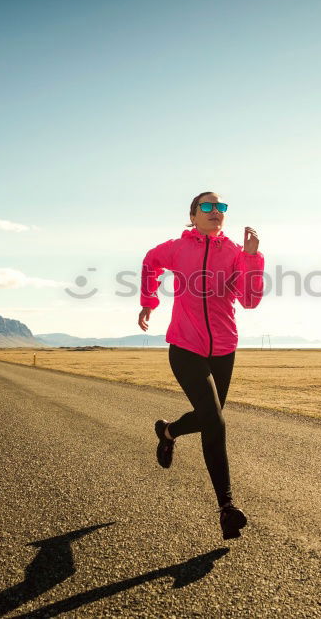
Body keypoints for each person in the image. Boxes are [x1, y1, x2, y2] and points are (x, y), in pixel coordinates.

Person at [137, 191, 264, 540]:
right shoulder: (177, 248)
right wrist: (149, 301)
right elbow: (150, 262)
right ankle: (226, 507)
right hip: (185, 347)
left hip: (224, 349)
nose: (215, 212)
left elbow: (250, 301)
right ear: (192, 215)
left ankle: (168, 432)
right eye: (207, 207)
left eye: (221, 208)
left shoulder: (237, 254)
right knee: (215, 421)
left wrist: (252, 259)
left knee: (211, 417)